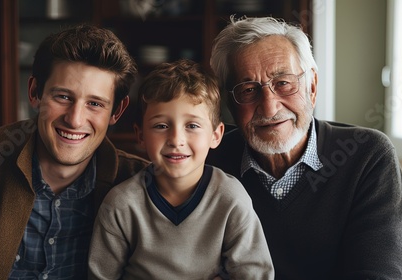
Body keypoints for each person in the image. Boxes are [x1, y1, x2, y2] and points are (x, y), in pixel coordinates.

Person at [0, 23, 149, 279]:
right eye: (63, 97)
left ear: (116, 112)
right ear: (34, 93)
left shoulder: (140, 183)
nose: (75, 120)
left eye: (95, 104)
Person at [206, 16, 402, 279]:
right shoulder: (209, 161)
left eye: (283, 83)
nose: (270, 107)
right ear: (231, 105)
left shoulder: (367, 156)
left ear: (312, 87)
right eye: (248, 89)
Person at [88, 59, 275, 279]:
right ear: (140, 135)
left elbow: (254, 274)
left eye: (192, 126)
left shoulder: (231, 199)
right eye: (161, 126)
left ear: (216, 135)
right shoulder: (121, 204)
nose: (176, 140)